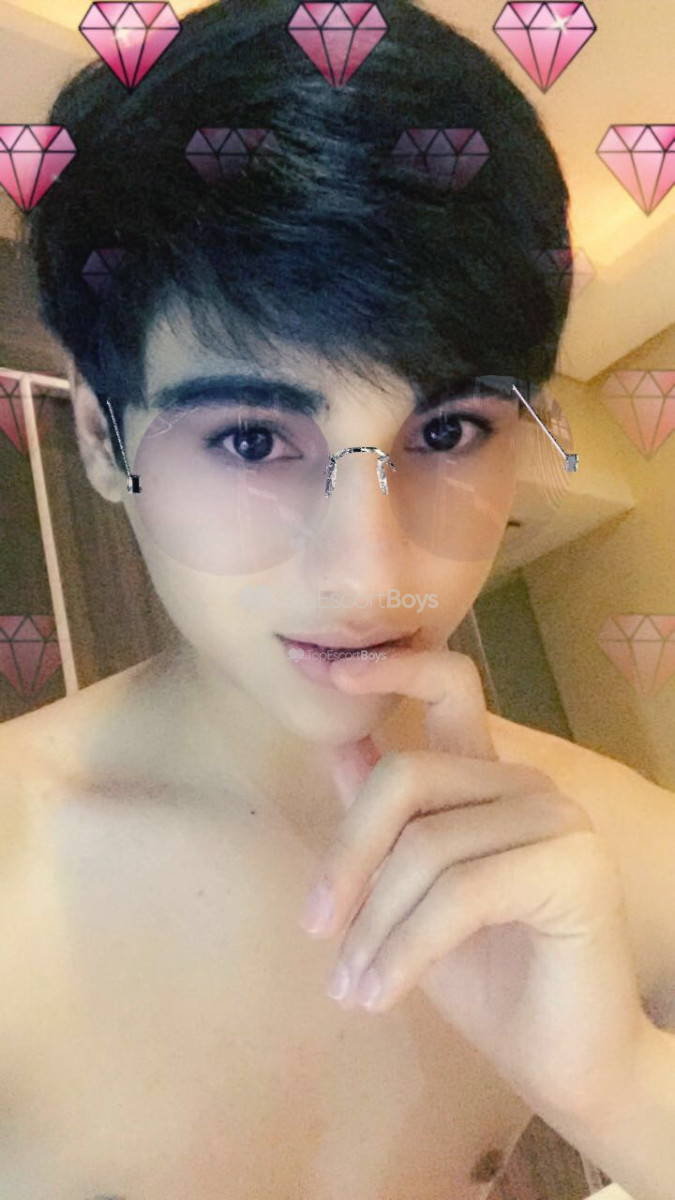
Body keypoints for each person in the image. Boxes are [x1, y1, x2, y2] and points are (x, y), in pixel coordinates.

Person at [2, 2, 674, 1197]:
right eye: (253, 439)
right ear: (105, 440)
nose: (371, 572)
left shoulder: (605, 845)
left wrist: (624, 1090)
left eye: (449, 431)